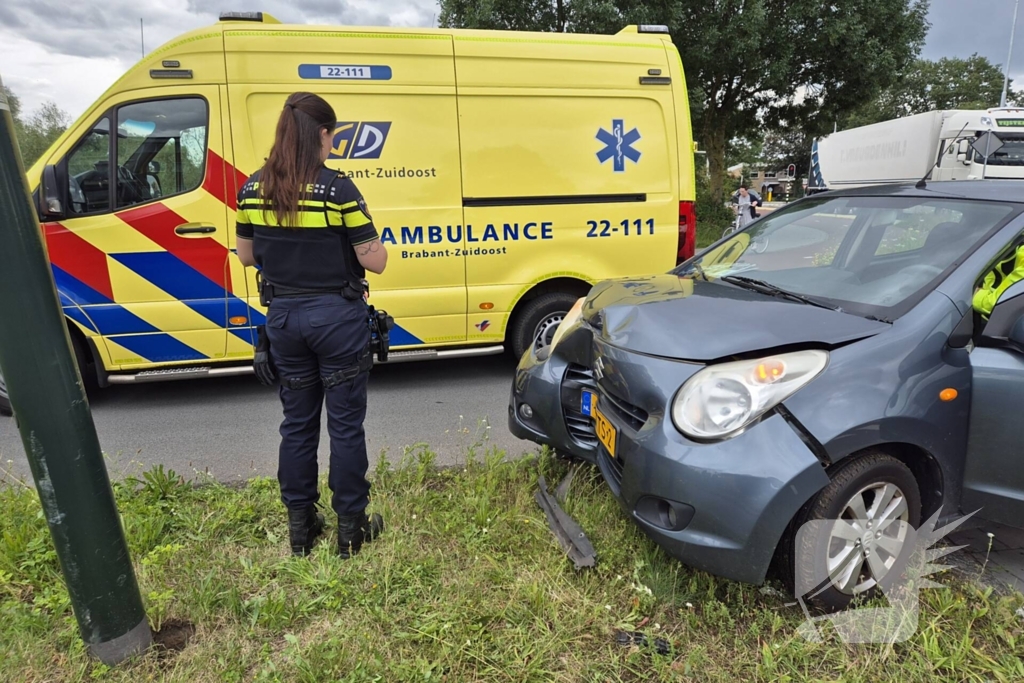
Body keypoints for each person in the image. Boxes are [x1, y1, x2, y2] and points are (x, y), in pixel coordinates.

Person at [235, 92, 389, 559]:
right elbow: (374, 261)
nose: (333, 145)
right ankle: (351, 530)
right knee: (345, 427)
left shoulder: (252, 188)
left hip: (283, 318)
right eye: (332, 136)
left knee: (297, 426)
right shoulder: (338, 190)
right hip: (337, 320)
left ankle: (301, 529)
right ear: (321, 134)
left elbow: (246, 255)